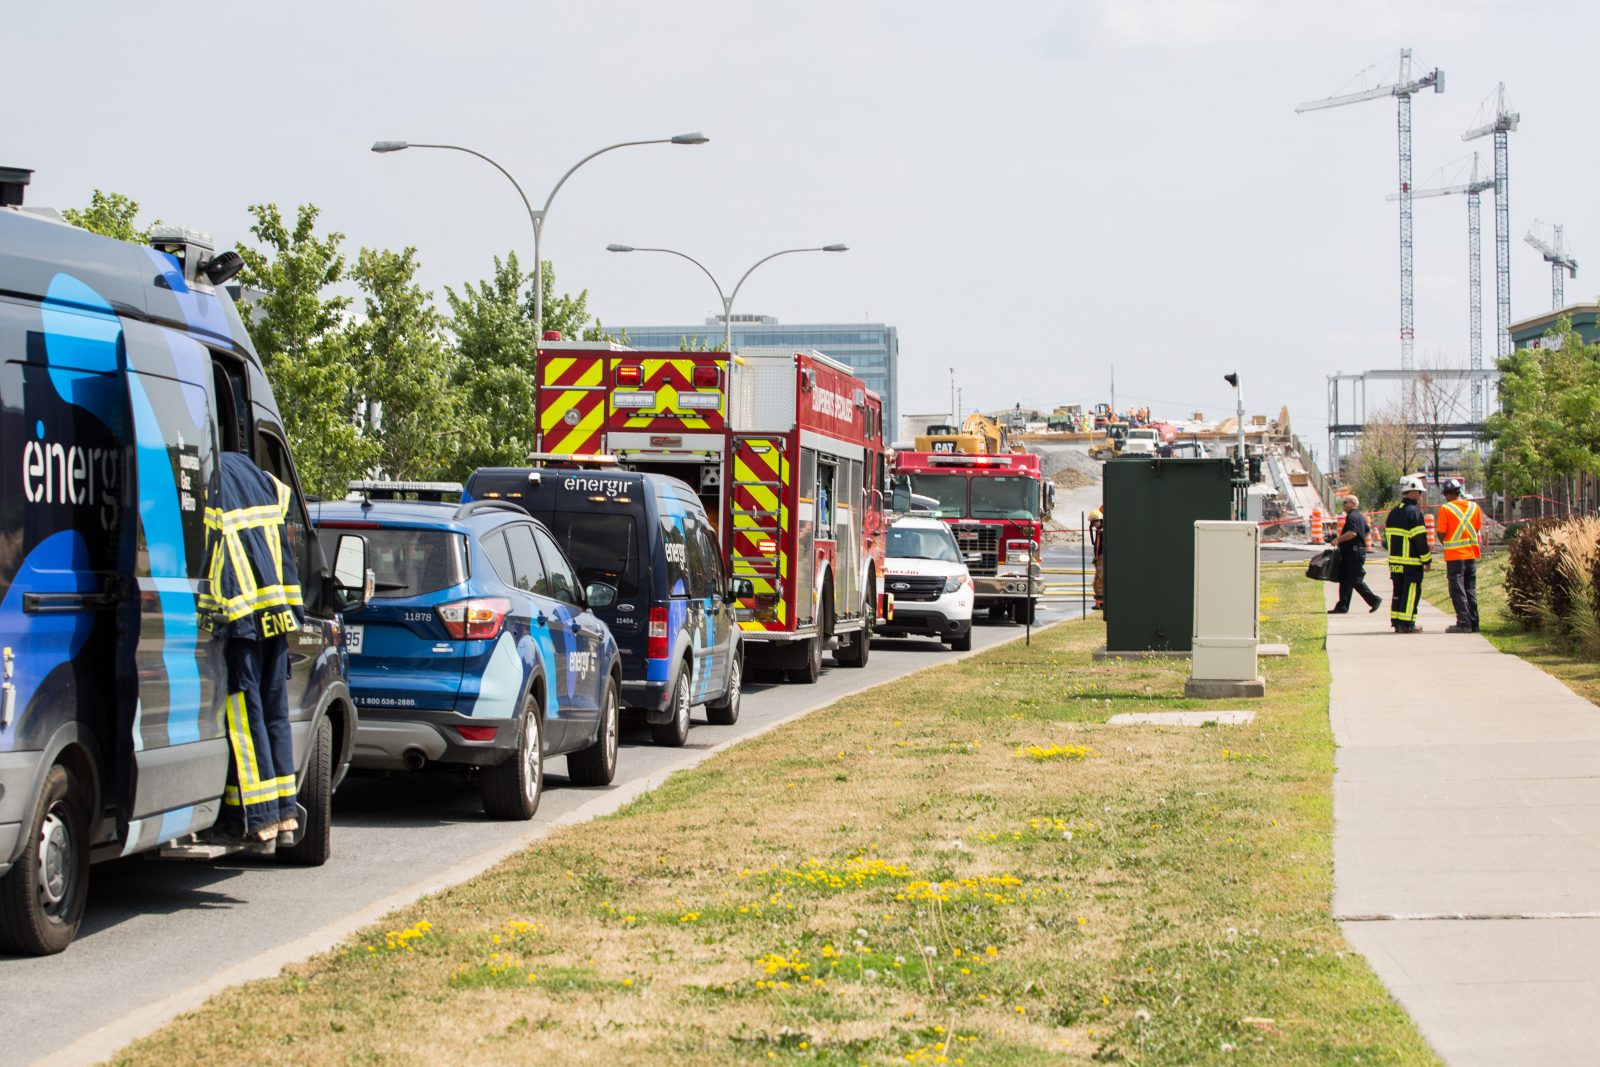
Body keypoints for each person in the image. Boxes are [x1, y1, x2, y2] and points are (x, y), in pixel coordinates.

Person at [199, 451, 306, 844]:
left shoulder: (214, 483)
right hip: (276, 616)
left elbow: (213, 561)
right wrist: (295, 611)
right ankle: (285, 814)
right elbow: (285, 553)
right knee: (275, 712)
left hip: (241, 622)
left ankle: (259, 817)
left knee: (247, 718)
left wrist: (206, 617)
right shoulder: (261, 481)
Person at [1383, 475, 1432, 633]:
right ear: (1413, 492)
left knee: (1398, 590)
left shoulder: (1394, 512)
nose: (1421, 495)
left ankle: (1397, 622)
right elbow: (1420, 539)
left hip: (1395, 563)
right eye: (1420, 492)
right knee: (1410, 592)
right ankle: (1406, 624)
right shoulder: (1414, 513)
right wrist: (1426, 559)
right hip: (1410, 563)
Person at [1435, 477, 1483, 633]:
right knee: (1470, 589)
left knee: (1457, 590)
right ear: (1459, 491)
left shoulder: (1446, 509)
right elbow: (1477, 528)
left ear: (1447, 494)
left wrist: (1449, 541)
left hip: (1455, 557)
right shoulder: (1474, 507)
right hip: (1471, 555)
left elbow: (1441, 533)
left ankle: (1463, 622)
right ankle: (1474, 622)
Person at [1328, 494, 1382, 614]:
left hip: (1354, 553)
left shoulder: (1352, 516)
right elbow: (1367, 531)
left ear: (1352, 503)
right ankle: (1342, 606)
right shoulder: (1360, 516)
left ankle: (1374, 600)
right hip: (1353, 551)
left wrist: (1338, 540)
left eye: (1345, 502)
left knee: (1355, 579)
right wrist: (1360, 541)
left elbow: (1352, 533)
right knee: (1345, 579)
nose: (1343, 505)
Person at [1088, 507, 1105, 610]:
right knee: (1097, 582)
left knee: (1100, 581)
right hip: (1099, 559)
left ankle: (1101, 603)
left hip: (1102, 559)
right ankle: (1099, 603)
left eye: (1096, 521)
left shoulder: (1103, 532)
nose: (1095, 524)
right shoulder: (1099, 531)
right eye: (1093, 522)